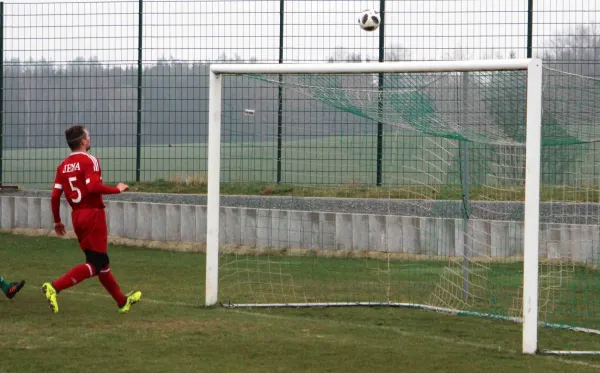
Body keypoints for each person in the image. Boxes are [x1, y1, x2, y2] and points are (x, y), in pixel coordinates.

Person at [42, 125, 141, 314]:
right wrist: (117, 189)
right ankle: (54, 287)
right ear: (83, 141)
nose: (90, 138)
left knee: (102, 263)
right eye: (88, 136)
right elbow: (94, 187)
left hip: (77, 216)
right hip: (93, 214)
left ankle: (122, 302)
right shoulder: (90, 161)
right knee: (96, 264)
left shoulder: (63, 166)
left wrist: (57, 221)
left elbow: (55, 196)